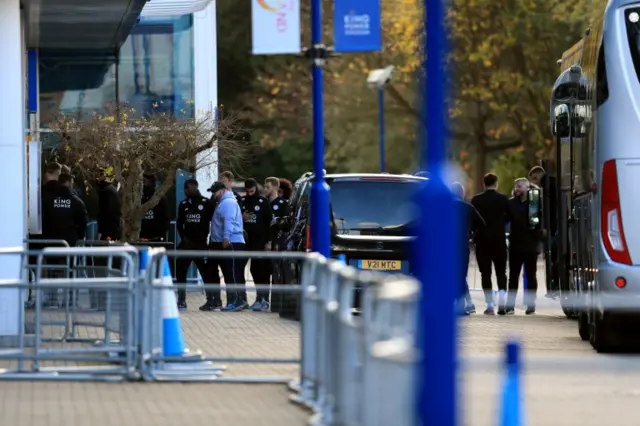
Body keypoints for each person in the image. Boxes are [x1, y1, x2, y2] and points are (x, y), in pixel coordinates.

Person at [41, 171, 88, 307]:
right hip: (70, 242)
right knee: (71, 271)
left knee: (52, 270)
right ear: (69, 183)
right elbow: (83, 222)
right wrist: (79, 236)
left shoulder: (48, 200)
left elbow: (43, 220)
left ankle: (52, 298)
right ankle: (70, 301)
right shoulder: (76, 201)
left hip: (52, 241)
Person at [470, 173, 510, 315]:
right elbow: (510, 217)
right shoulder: (503, 199)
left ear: (483, 184)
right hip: (499, 241)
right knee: (501, 272)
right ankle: (502, 302)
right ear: (496, 183)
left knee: (485, 274)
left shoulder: (476, 200)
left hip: (482, 242)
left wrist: (474, 236)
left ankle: (490, 305)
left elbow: (472, 220)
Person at [174, 179, 216, 310]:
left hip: (200, 244)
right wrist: (184, 238)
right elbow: (179, 223)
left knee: (205, 272)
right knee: (180, 271)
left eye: (187, 188)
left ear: (193, 187)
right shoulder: (183, 204)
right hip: (186, 244)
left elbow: (213, 222)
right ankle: (181, 300)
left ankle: (211, 299)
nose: (185, 191)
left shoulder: (206, 203)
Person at [208, 181, 248, 312]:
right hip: (226, 242)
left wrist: (226, 237)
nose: (213, 195)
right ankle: (234, 300)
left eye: (214, 192)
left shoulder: (228, 203)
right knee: (229, 272)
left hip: (231, 242)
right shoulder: (224, 202)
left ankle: (236, 301)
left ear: (222, 190)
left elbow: (228, 221)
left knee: (232, 272)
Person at [506, 178, 542, 315]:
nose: (517, 188)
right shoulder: (510, 203)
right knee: (513, 276)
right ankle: (510, 306)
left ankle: (531, 304)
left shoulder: (534, 202)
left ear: (528, 187)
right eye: (516, 186)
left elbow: (539, 222)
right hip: (515, 245)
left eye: (520, 186)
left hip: (531, 245)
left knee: (531, 275)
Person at [451, 182, 485, 315]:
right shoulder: (468, 208)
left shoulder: (444, 207)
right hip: (462, 246)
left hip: (447, 247)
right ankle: (463, 304)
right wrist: (473, 238)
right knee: (461, 275)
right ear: (462, 193)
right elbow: (482, 224)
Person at [240, 178, 273, 312]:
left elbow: (270, 223)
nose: (249, 194)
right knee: (241, 268)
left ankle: (263, 298)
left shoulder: (263, 202)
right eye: (247, 191)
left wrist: (268, 241)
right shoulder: (242, 202)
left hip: (259, 242)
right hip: (245, 242)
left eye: (252, 191)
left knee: (259, 270)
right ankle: (242, 299)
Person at [528, 165, 558, 298]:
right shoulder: (552, 183)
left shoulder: (547, 187)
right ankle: (553, 286)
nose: (535, 182)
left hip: (553, 225)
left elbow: (548, 209)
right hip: (555, 224)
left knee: (552, 256)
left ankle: (553, 286)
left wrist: (545, 227)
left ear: (539, 175)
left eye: (535, 178)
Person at [140, 173, 170, 241]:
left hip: (155, 238)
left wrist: (159, 236)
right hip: (139, 237)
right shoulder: (137, 198)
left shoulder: (160, 198)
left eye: (145, 181)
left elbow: (165, 219)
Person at [95, 171, 122, 241]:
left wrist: (101, 229)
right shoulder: (112, 189)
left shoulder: (105, 191)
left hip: (108, 227)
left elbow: (103, 211)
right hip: (114, 225)